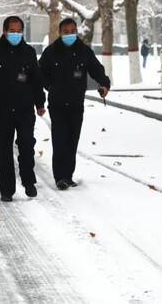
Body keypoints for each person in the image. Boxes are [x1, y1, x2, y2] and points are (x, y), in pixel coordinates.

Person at [0, 16, 46, 202]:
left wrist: (40, 103)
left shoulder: (29, 52)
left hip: (25, 110)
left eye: (18, 31)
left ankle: (28, 181)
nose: (15, 34)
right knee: (4, 150)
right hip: (2, 110)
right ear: (4, 32)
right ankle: (7, 189)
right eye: (12, 30)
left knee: (26, 145)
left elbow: (36, 80)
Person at [39, 17, 110, 190]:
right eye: (66, 32)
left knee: (72, 140)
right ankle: (60, 177)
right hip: (57, 104)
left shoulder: (84, 51)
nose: (70, 34)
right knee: (60, 139)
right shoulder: (51, 52)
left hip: (76, 103)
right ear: (60, 33)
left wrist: (104, 83)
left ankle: (68, 175)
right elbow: (40, 73)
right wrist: (50, 87)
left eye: (72, 31)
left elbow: (96, 69)